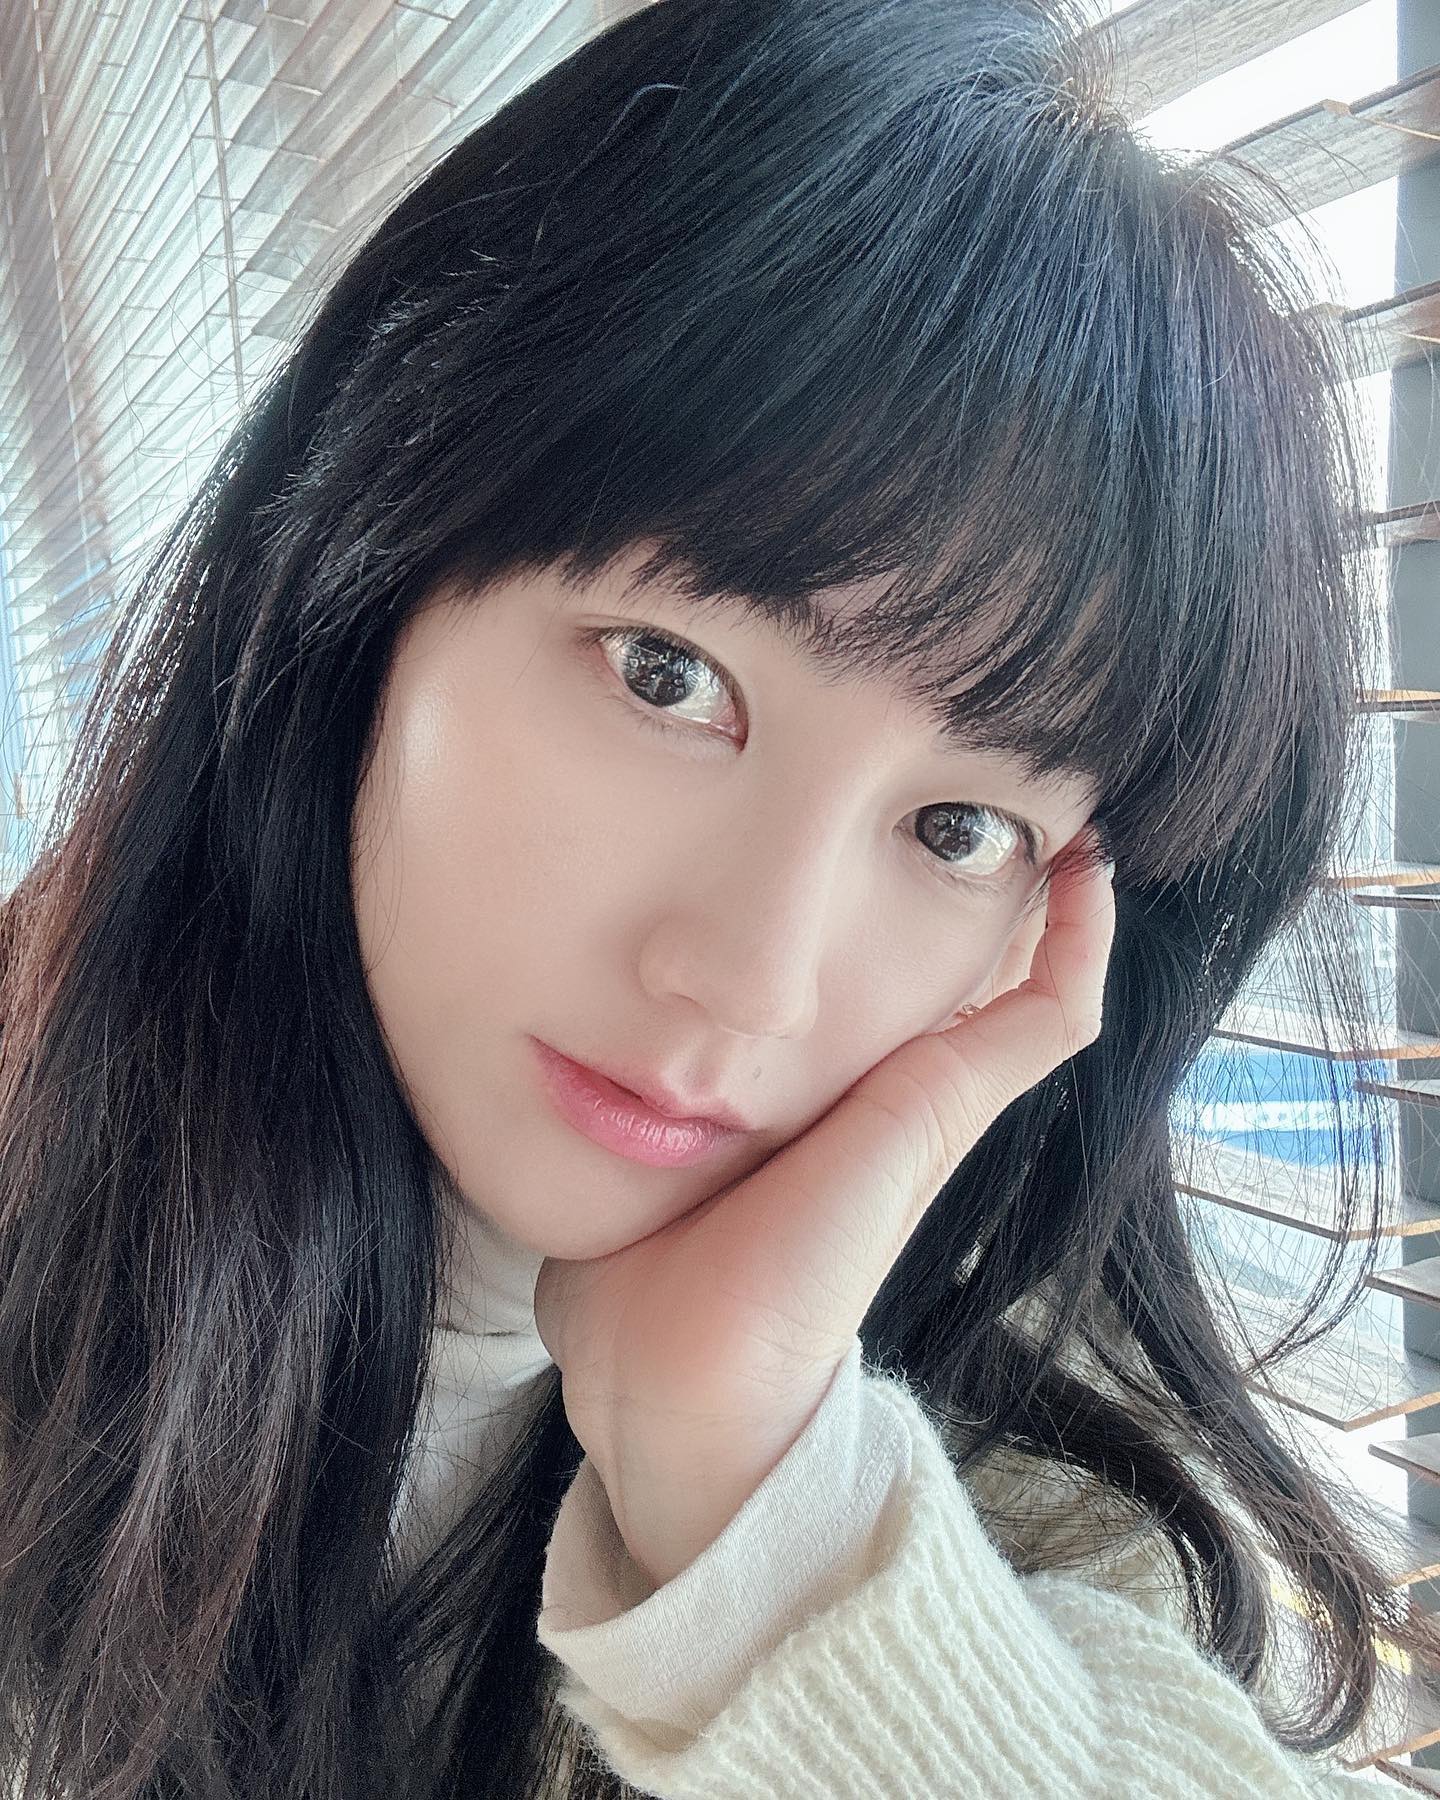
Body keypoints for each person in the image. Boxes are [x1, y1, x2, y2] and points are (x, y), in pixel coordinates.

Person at [0, 0, 1423, 1793]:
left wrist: (766, 1526)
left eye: (959, 827)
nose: (750, 981)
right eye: (669, 676)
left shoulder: (1038, 1519)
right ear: (363, 580)